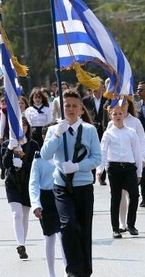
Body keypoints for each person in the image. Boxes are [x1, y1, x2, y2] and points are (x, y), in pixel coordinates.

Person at [41, 89, 101, 277]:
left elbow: (97, 158)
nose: (71, 109)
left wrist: (77, 167)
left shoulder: (90, 130)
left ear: (81, 109)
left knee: (83, 228)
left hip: (83, 186)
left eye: (75, 106)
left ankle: (85, 270)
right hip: (61, 186)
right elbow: (45, 154)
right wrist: (57, 135)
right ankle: (73, 270)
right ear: (61, 108)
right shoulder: (54, 129)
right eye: (67, 105)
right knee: (68, 225)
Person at [99, 104, 143, 239]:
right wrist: (100, 169)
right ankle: (115, 227)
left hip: (129, 167)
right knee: (116, 197)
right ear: (111, 117)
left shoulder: (131, 132)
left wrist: (139, 172)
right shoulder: (108, 133)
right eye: (115, 114)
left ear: (124, 115)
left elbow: (137, 151)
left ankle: (131, 224)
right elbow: (103, 151)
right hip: (114, 167)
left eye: (120, 113)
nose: (118, 116)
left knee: (134, 195)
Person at [29, 122, 65, 277]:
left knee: (64, 235)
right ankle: (51, 273)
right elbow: (34, 183)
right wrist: (36, 204)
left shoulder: (63, 157)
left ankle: (67, 270)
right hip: (46, 199)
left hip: (62, 196)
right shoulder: (38, 159)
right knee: (49, 236)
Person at [2, 116, 40, 259]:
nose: (22, 128)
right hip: (12, 182)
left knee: (24, 214)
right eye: (19, 126)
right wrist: (11, 149)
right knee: (16, 213)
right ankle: (20, 244)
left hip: (27, 182)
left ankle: (23, 242)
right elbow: (5, 164)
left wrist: (23, 164)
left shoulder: (33, 144)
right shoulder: (8, 143)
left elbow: (37, 165)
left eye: (24, 126)